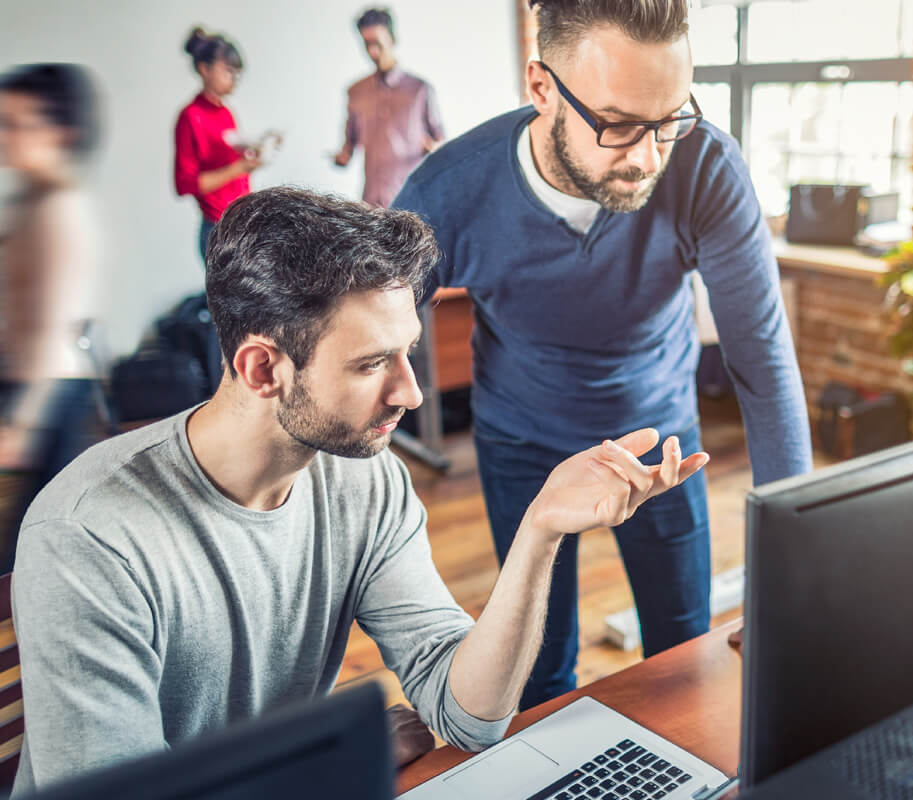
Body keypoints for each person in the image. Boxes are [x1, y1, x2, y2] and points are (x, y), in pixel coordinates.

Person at [11, 187, 707, 795]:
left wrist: (540, 530)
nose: (410, 390)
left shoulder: (363, 478)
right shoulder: (89, 536)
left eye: (407, 351)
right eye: (372, 363)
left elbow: (467, 712)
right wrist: (319, 768)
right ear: (262, 369)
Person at [393, 0, 812, 710]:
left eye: (670, 118)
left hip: (660, 441)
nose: (648, 156)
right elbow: (365, 349)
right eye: (617, 124)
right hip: (521, 441)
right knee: (540, 669)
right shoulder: (446, 192)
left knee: (682, 657)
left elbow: (761, 359)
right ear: (541, 87)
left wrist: (794, 568)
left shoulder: (704, 164)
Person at [0, 63, 103, 573]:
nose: (6, 137)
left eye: (19, 124)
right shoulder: (30, 201)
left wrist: (23, 422)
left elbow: (50, 326)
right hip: (24, 379)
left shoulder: (58, 208)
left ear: (62, 132)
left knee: (34, 547)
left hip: (52, 391)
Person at [333, 8, 444, 207]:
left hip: (413, 199)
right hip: (371, 202)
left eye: (377, 43)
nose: (372, 51)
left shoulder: (420, 90)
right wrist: (342, 157)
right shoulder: (356, 92)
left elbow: (440, 142)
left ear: (392, 39)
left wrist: (433, 149)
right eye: (367, 44)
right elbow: (349, 145)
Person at [174, 28, 267, 264]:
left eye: (236, 74)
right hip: (217, 227)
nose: (233, 79)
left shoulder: (226, 113)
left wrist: (249, 160)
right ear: (204, 69)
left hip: (241, 222)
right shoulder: (190, 117)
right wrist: (238, 168)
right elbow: (186, 183)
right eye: (227, 72)